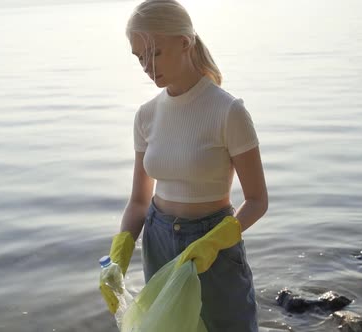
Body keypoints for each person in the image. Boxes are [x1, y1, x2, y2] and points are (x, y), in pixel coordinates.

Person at [100, 0, 268, 331]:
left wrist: (214, 242)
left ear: (185, 41)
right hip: (158, 239)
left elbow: (258, 200)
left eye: (155, 53)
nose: (147, 66)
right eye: (139, 58)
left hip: (214, 244)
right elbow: (138, 201)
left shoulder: (228, 111)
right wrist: (118, 254)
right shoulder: (146, 115)